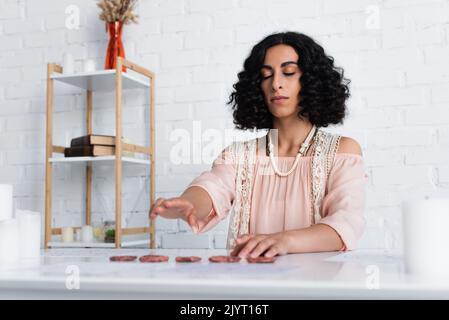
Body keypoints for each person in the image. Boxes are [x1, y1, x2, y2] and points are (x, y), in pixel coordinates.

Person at [149, 31, 369, 258]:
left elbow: (345, 224)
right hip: (249, 288)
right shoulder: (240, 156)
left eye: (289, 72)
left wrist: (284, 241)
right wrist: (189, 204)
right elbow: (212, 187)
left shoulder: (342, 152)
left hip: (313, 288)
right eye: (266, 76)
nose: (276, 84)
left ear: (312, 81)